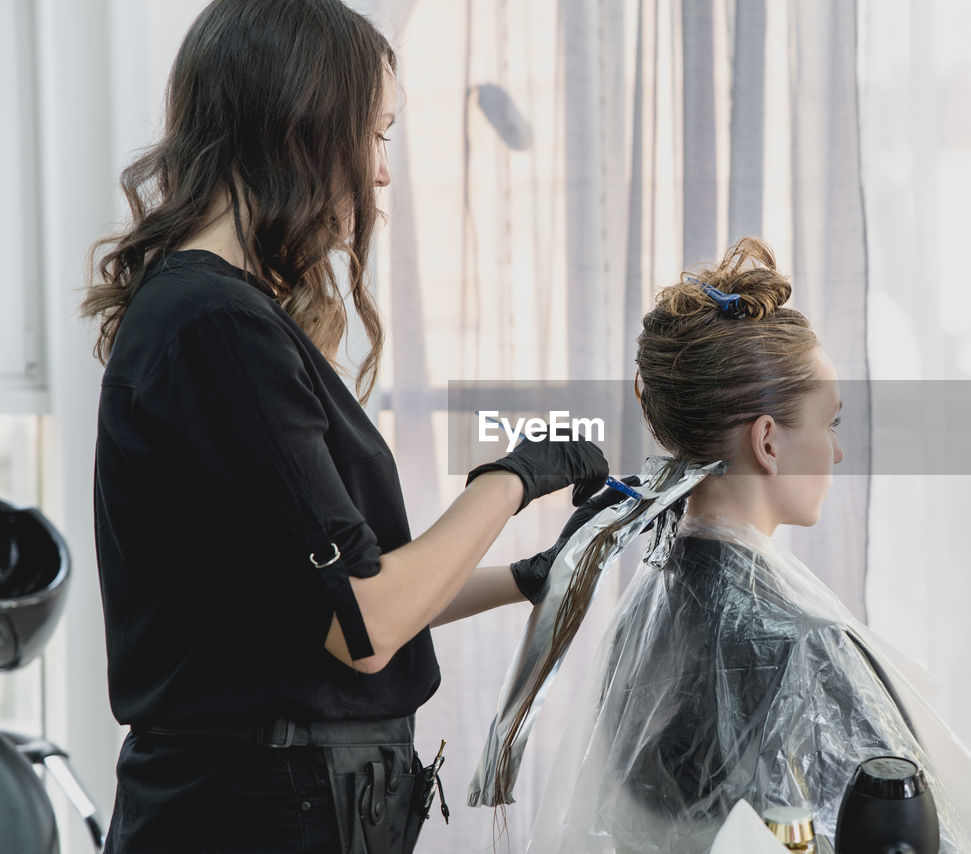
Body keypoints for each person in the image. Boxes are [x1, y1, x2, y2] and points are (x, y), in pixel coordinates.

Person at [81, 1, 619, 851]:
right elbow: (366, 626)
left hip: (270, 802)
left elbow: (329, 610)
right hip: (252, 814)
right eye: (376, 136)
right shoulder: (216, 328)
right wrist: (514, 478)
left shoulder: (221, 320)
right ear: (301, 128)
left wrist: (529, 576)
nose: (381, 174)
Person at [525, 238, 971, 853]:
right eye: (829, 423)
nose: (836, 451)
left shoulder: (648, 612)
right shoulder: (801, 642)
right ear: (769, 442)